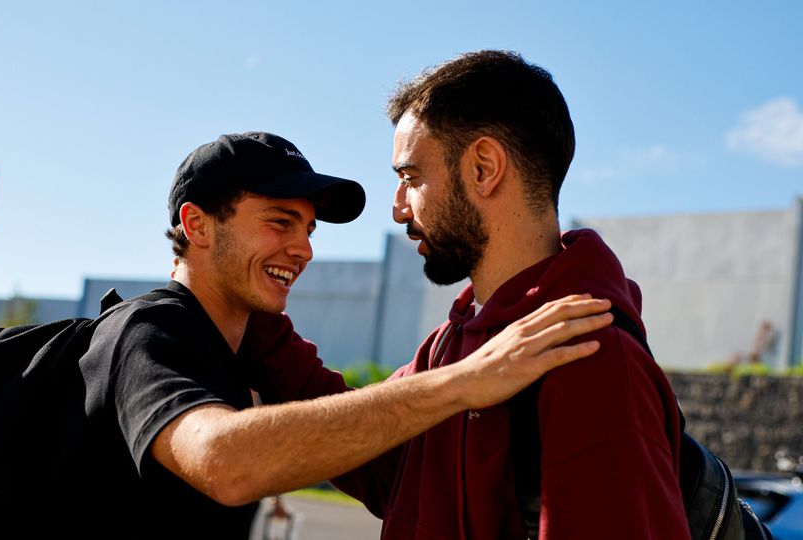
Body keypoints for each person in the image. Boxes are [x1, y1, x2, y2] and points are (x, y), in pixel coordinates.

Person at [62, 131, 613, 538]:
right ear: (197, 224)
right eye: (280, 221)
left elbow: (363, 447)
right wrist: (464, 381)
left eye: (307, 229)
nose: (302, 249)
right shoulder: (144, 332)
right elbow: (224, 463)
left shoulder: (242, 346)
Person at [246, 52, 690, 538]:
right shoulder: (450, 346)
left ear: (483, 168)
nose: (398, 209)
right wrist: (251, 312)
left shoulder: (585, 355)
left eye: (411, 178)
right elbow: (370, 456)